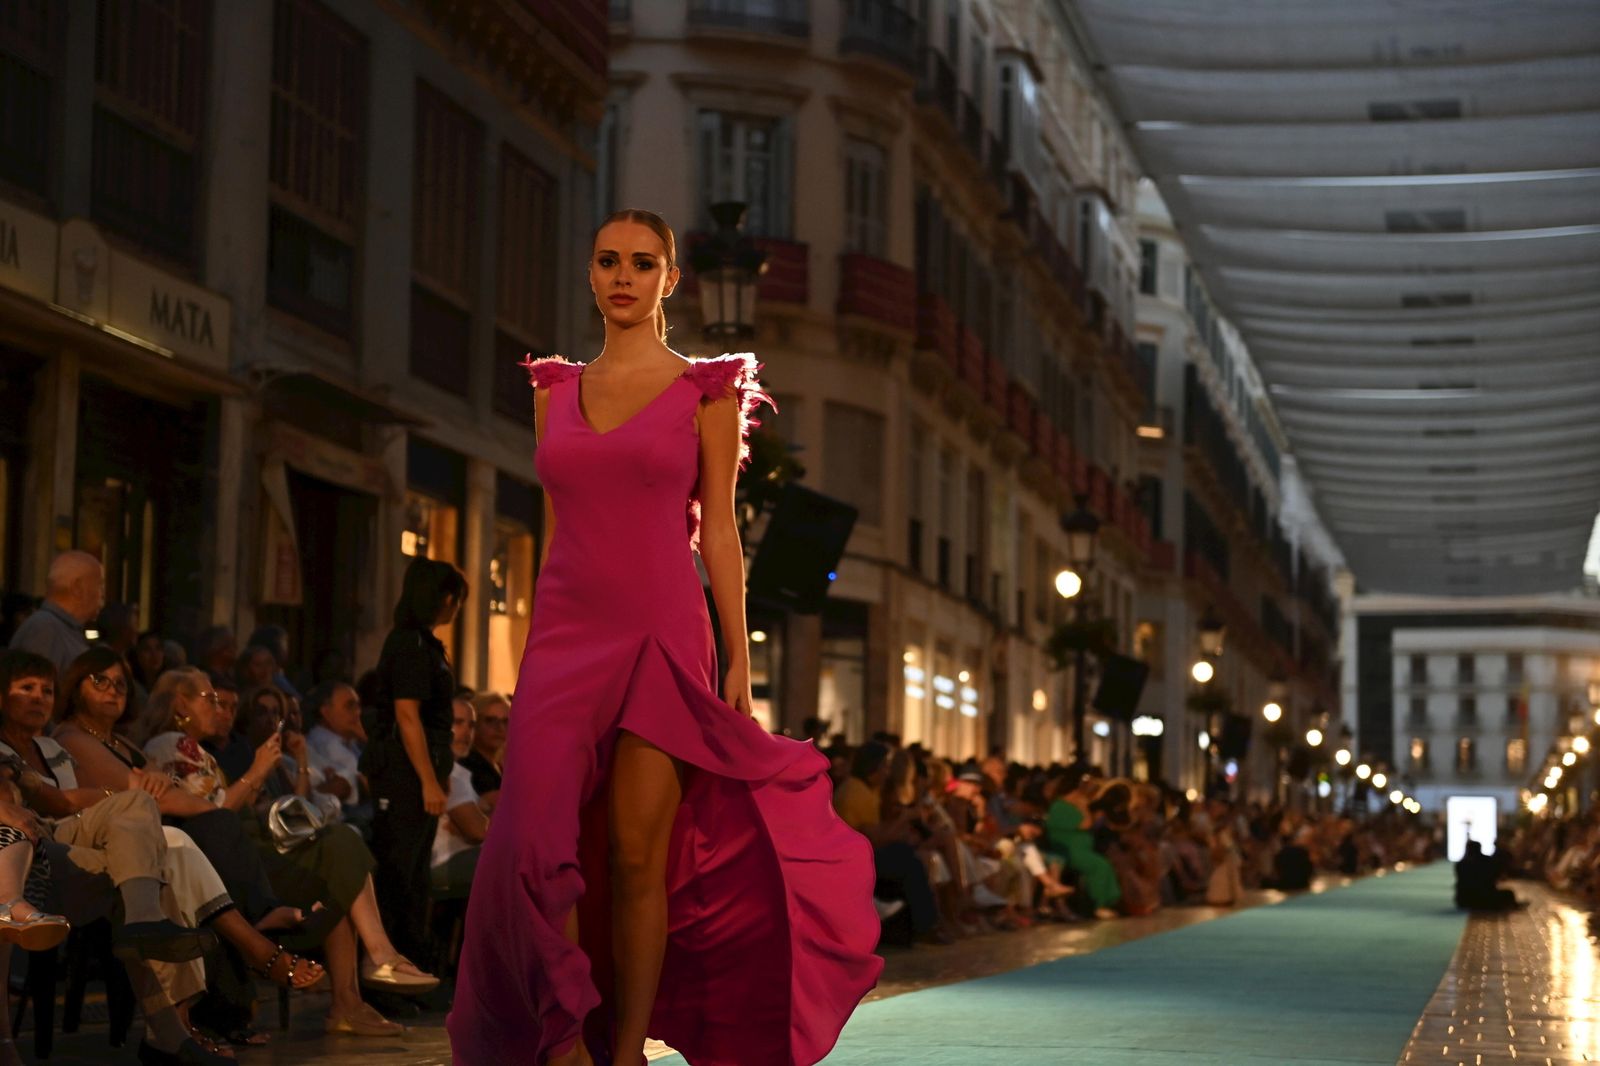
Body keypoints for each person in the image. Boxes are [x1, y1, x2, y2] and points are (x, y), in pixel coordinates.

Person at [448, 209, 881, 1066]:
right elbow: (558, 517)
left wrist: (739, 671)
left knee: (640, 853)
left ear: (669, 281)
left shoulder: (706, 390)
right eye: (608, 261)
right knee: (535, 838)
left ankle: (624, 1052)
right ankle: (562, 1032)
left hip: (662, 633)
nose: (623, 276)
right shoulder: (553, 391)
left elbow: (719, 532)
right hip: (566, 634)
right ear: (590, 273)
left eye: (643, 264)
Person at [136, 667, 436, 1035]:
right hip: (222, 860)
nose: (217, 708)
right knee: (342, 845)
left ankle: (352, 996)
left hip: (243, 845)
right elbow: (213, 818)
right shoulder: (171, 745)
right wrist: (258, 771)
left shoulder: (198, 750)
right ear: (181, 703)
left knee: (340, 858)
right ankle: (375, 964)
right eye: (210, 699)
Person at [364, 556, 465, 969]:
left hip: (424, 770)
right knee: (400, 873)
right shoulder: (407, 644)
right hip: (404, 777)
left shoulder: (425, 643)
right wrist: (427, 780)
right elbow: (408, 716)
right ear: (445, 599)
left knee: (415, 874)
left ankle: (409, 963)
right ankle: (388, 968)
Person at [6, 551, 103, 678]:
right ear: (78, 588)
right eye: (100, 585)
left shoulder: (62, 629)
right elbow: (37, 693)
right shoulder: (44, 629)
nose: (102, 594)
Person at [431, 698, 490, 898]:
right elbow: (479, 831)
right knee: (515, 860)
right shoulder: (447, 773)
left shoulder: (459, 773)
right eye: (457, 723)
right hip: (444, 861)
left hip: (462, 856)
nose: (466, 732)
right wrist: (482, 816)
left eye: (471, 725)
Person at [303, 680, 369, 827]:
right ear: (326, 711)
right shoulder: (326, 743)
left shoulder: (346, 739)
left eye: (358, 705)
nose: (358, 712)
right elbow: (371, 783)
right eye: (350, 706)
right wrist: (368, 740)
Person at [461, 692, 507, 798]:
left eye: (506, 721)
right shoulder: (466, 767)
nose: (500, 728)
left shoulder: (500, 766)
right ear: (474, 723)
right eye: (490, 720)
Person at [1455, 839, 1521, 911]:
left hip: (1465, 900)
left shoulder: (1461, 864)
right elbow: (1496, 877)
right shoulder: (1488, 861)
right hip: (1486, 898)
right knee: (1509, 893)